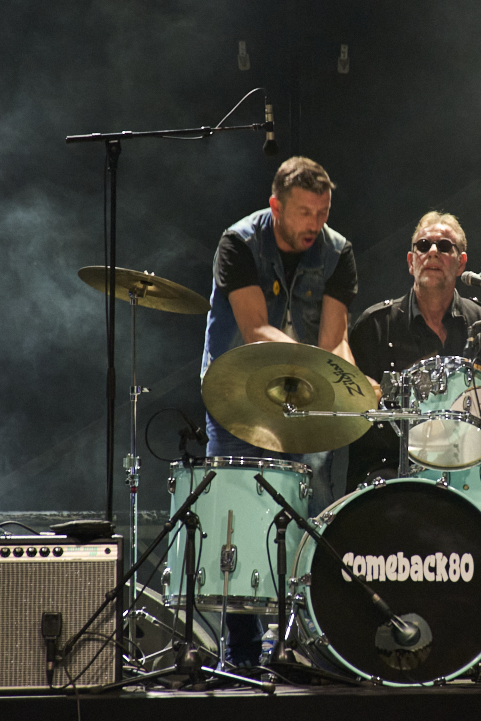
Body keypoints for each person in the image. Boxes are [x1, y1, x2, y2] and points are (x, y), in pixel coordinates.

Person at [347, 211, 481, 660]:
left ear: (461, 261)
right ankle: (376, 628)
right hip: (397, 468)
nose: (433, 252)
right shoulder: (375, 325)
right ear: (410, 260)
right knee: (372, 488)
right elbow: (353, 417)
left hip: (477, 469)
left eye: (444, 246)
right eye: (424, 245)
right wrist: (412, 451)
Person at [200, 156, 358, 665]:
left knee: (316, 509)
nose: (315, 223)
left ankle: (303, 641)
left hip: (302, 401)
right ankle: (242, 650)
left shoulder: (338, 252)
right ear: (276, 206)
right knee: (238, 518)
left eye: (323, 212)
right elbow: (254, 332)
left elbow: (334, 340)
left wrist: (350, 381)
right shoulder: (239, 243)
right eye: (305, 212)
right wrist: (317, 366)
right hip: (238, 397)